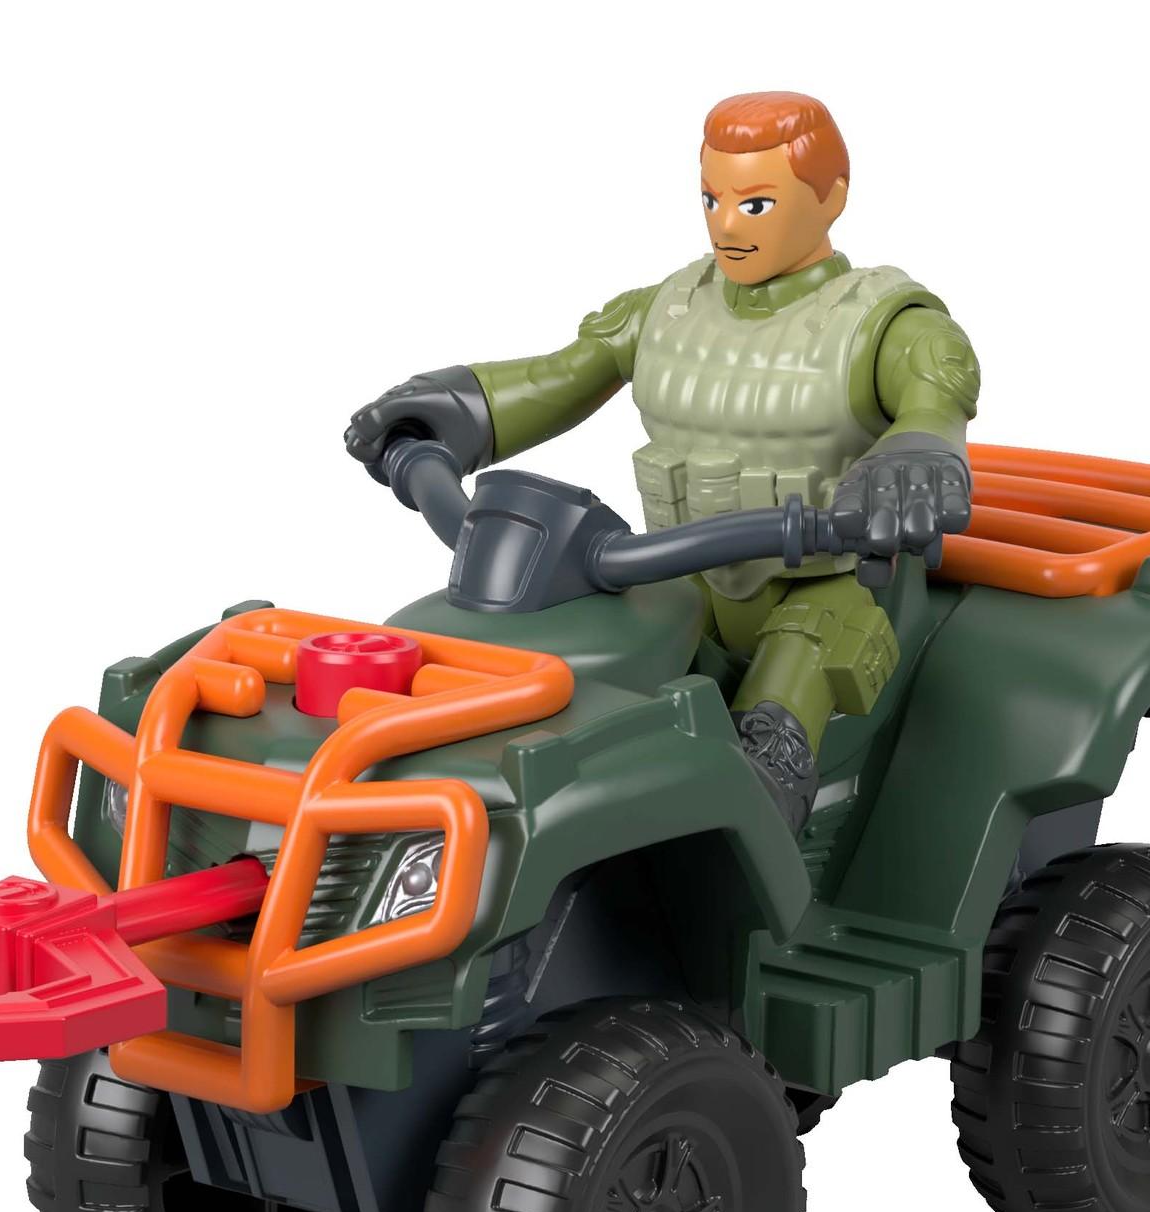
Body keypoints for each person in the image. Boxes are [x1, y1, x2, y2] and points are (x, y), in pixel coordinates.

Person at [345, 91, 979, 829]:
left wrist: (915, 456)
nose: (726, 225)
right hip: (674, 574)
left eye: (756, 204)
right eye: (712, 199)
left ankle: (755, 830)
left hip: (831, 585)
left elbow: (934, 405)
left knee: (780, 707)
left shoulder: (888, 324)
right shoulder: (668, 310)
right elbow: (560, 377)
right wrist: (461, 409)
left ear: (831, 196)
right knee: (579, 695)